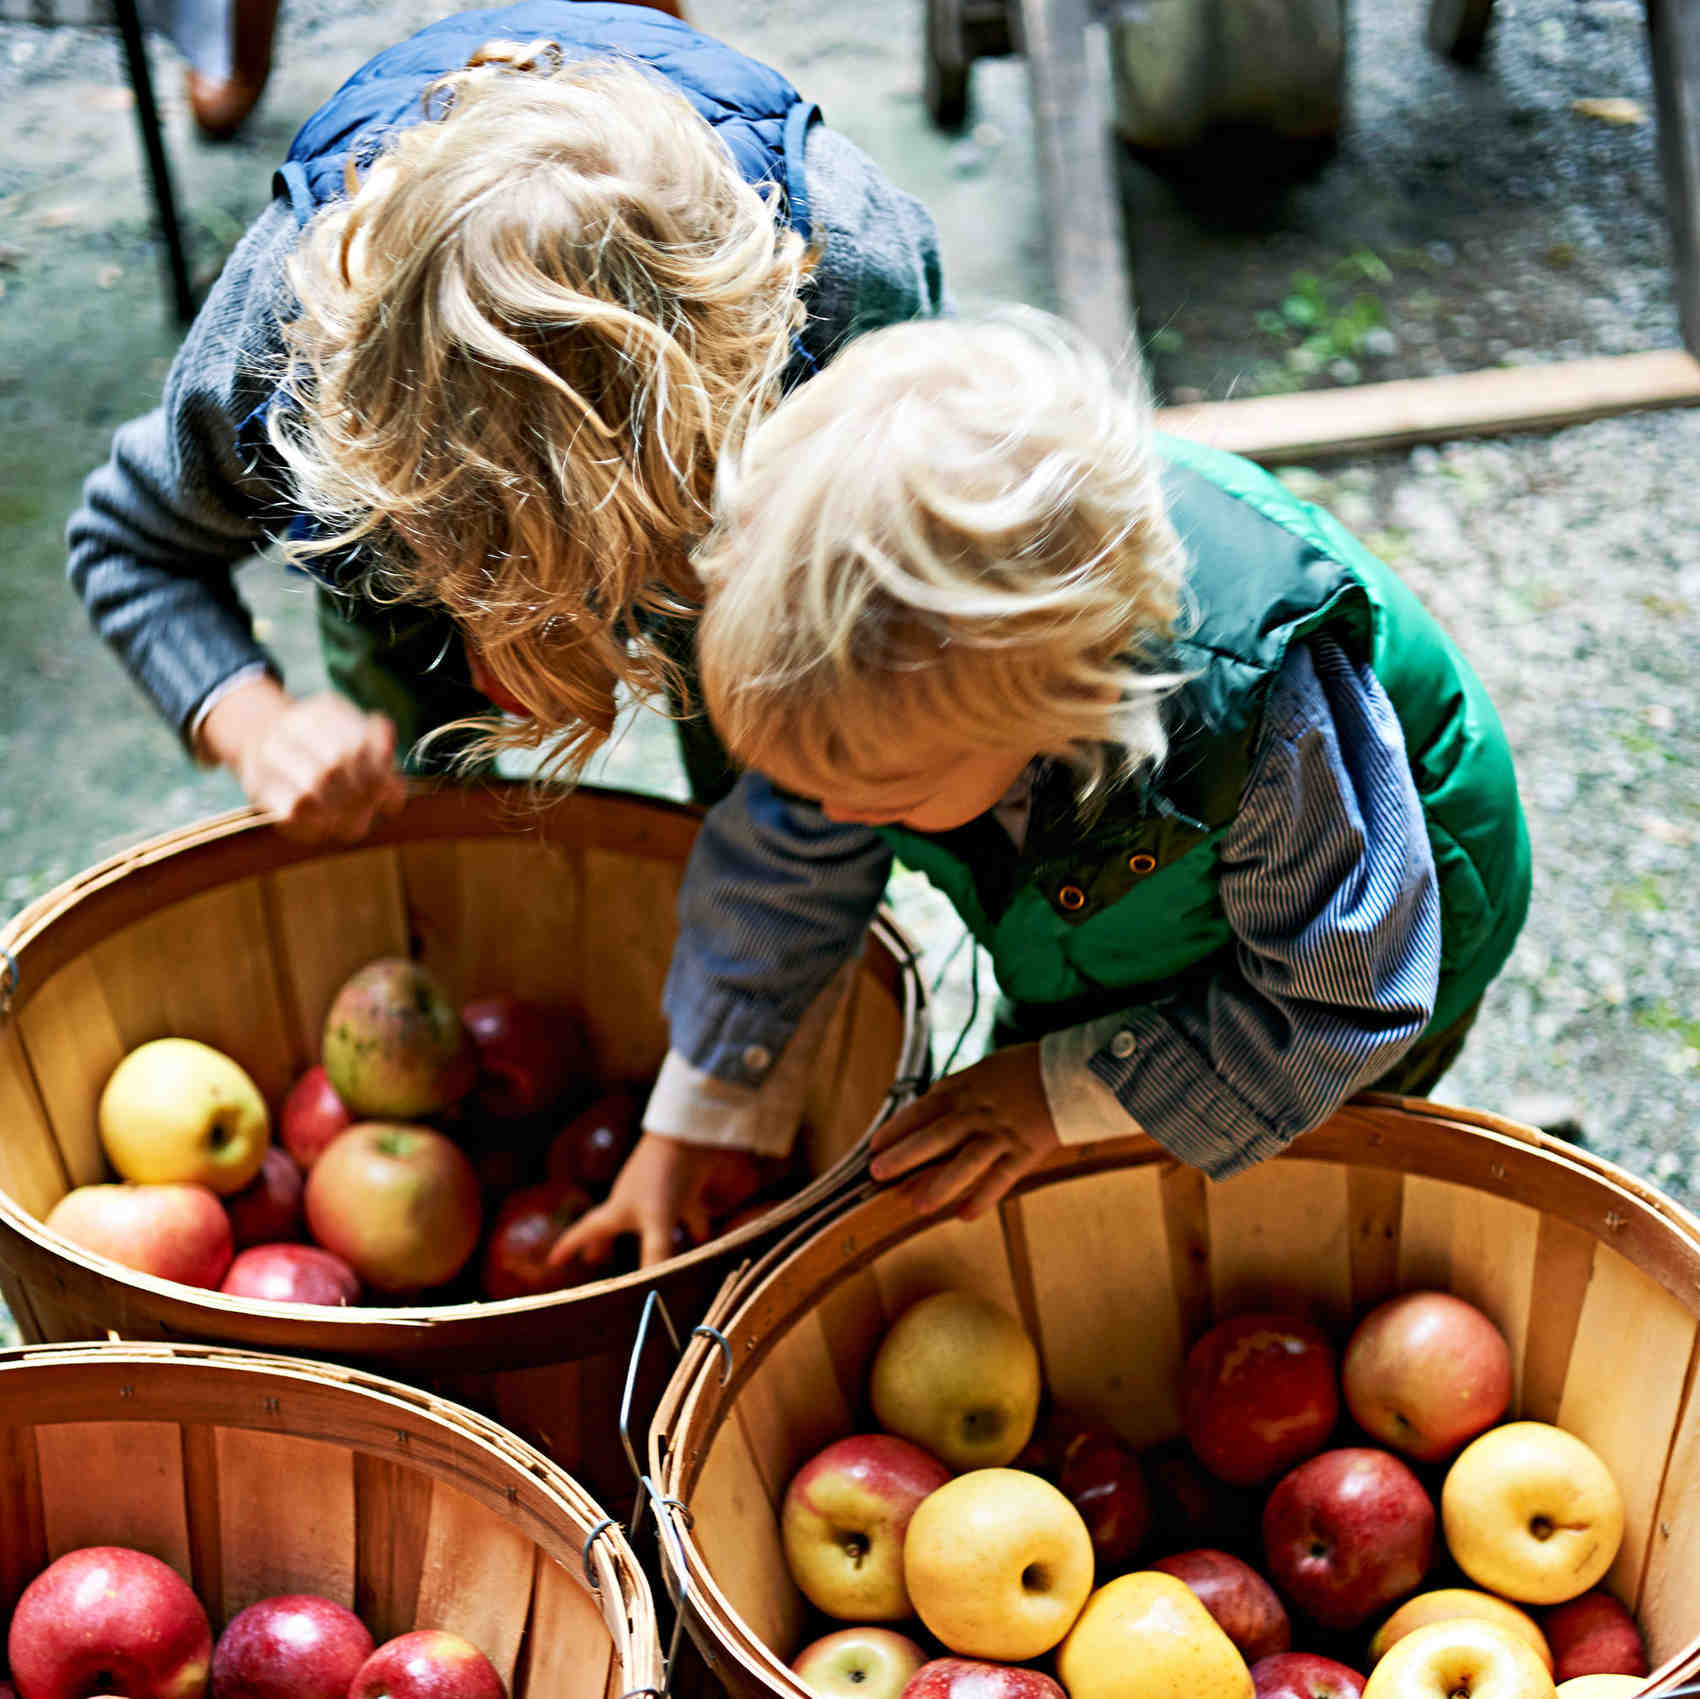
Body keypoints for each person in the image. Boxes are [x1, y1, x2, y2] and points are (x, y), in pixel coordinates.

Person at [68, 0, 943, 1261]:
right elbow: (126, 540)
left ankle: (744, 1012)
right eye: (484, 611)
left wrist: (716, 1084)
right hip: (404, 519)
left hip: (746, 522)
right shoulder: (280, 364)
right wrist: (252, 723)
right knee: (418, 799)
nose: (519, 680)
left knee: (791, 738)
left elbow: (847, 736)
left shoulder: (845, 313)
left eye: (570, 625)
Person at [551, 308, 1531, 1252]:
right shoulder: (887, 711)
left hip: (1372, 945)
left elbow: (1338, 1007)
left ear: (1049, 713)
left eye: (881, 794)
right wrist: (696, 1114)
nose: (839, 812)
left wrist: (1054, 1092)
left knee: (1288, 1175)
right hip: (1123, 913)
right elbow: (785, 860)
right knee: (1053, 1109)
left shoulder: (1257, 733)